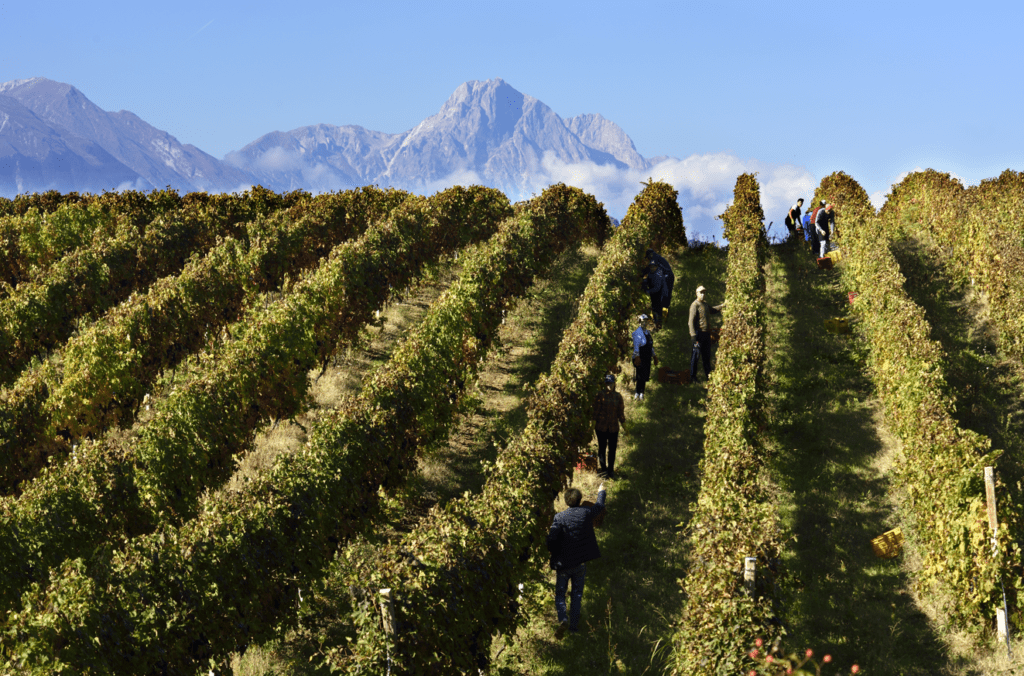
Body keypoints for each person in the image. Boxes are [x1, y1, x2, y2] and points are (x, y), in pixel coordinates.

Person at [547, 483, 607, 637]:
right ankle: (573, 627)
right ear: (580, 500)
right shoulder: (586, 512)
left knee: (560, 594)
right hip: (580, 563)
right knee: (577, 595)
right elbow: (599, 506)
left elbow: (551, 541)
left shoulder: (559, 518)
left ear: (566, 501)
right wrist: (601, 492)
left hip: (563, 563)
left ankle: (563, 618)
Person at [688, 285, 723, 384]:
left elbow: (713, 310)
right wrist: (693, 336)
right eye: (701, 292)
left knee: (706, 357)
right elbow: (690, 322)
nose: (703, 294)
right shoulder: (695, 305)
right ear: (697, 293)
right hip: (699, 334)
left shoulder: (705, 305)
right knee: (695, 356)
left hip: (707, 334)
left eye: (704, 293)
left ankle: (709, 378)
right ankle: (693, 377)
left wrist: (722, 305)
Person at [593, 373, 625, 478]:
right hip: (601, 427)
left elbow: (620, 412)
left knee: (612, 449)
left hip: (613, 428)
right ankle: (603, 470)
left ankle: (611, 470)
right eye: (607, 384)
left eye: (611, 383)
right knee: (602, 448)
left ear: (614, 384)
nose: (609, 386)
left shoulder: (618, 396)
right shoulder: (600, 395)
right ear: (604, 384)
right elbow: (596, 411)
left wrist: (624, 424)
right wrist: (593, 422)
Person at [644, 248, 674, 323]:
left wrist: (641, 274)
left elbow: (649, 269)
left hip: (668, 277)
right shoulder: (657, 257)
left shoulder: (654, 258)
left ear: (650, 255)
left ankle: (662, 319)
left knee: (664, 295)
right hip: (668, 276)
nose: (648, 259)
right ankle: (662, 317)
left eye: (648, 257)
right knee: (665, 295)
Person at [631, 314, 657, 400]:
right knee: (639, 375)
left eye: (646, 321)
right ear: (639, 322)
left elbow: (650, 345)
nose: (644, 323)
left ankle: (642, 392)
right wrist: (637, 357)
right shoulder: (637, 333)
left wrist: (654, 356)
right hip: (640, 357)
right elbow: (636, 346)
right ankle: (637, 392)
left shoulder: (648, 333)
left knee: (645, 375)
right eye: (643, 321)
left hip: (647, 357)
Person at [640, 262, 668, 328]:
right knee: (654, 307)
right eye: (651, 267)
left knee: (658, 308)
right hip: (655, 292)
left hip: (660, 293)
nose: (652, 268)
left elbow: (657, 288)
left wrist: (648, 291)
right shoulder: (651, 272)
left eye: (653, 267)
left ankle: (659, 324)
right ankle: (656, 323)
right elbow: (648, 279)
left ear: (656, 267)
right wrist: (643, 281)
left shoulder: (658, 274)